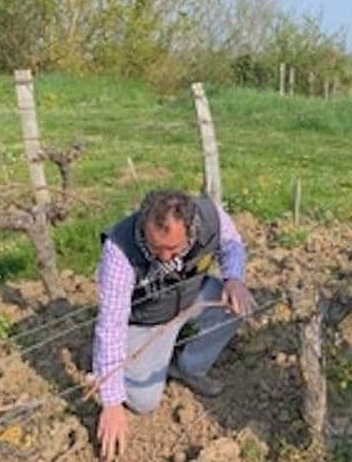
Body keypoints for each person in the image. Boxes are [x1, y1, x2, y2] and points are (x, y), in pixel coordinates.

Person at [92, 190, 256, 460]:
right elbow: (111, 325)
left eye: (174, 249)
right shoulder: (120, 251)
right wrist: (111, 402)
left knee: (239, 305)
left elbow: (231, 245)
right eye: (157, 249)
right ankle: (105, 363)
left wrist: (233, 279)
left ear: (190, 228)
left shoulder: (210, 217)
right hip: (147, 320)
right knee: (144, 402)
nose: (166, 258)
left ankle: (190, 367)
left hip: (193, 296)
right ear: (144, 225)